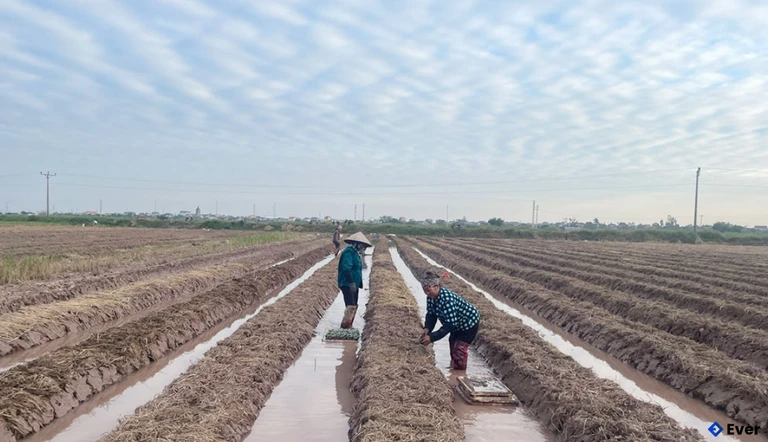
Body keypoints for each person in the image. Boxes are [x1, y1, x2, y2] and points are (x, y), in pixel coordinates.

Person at [419, 270, 480, 370]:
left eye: (428, 289)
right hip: (456, 324)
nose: (426, 292)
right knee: (452, 343)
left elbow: (450, 324)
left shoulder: (447, 299)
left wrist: (432, 337)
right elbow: (431, 314)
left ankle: (460, 374)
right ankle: (454, 368)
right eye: (424, 289)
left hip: (468, 323)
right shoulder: (430, 297)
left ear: (436, 286)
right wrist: (427, 328)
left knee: (459, 349)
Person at [337, 232, 372, 328]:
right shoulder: (349, 252)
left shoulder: (356, 253)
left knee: (354, 305)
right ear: (358, 244)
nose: (364, 249)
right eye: (363, 246)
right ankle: (345, 326)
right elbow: (346, 268)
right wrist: (351, 283)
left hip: (354, 284)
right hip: (347, 283)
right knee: (350, 305)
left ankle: (349, 325)